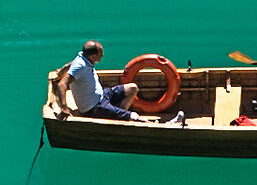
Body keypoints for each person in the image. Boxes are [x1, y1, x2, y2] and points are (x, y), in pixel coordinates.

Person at [51, 40, 185, 124]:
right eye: (100, 53)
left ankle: (116, 117)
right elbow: (62, 84)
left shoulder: (83, 58)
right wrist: (64, 108)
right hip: (94, 107)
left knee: (132, 88)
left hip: (102, 95)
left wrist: (60, 72)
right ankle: (160, 124)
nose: (102, 55)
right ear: (92, 56)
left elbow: (70, 65)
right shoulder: (80, 66)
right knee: (134, 116)